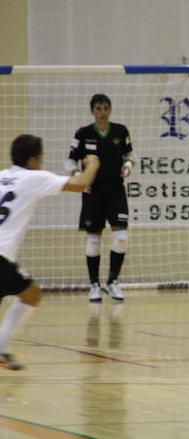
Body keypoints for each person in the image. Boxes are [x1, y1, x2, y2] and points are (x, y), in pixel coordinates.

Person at [0, 134, 100, 369]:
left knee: (31, 294)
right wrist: (93, 163)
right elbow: (80, 184)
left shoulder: (2, 176)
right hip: (1, 258)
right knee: (31, 295)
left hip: (4, 261)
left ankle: (2, 350)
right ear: (33, 160)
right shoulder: (33, 177)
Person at [65, 94, 134, 302]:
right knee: (93, 240)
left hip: (115, 191)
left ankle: (112, 282)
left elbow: (130, 155)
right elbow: (70, 161)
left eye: (105, 108)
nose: (102, 112)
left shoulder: (121, 131)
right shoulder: (83, 134)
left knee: (121, 238)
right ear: (92, 111)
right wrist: (77, 178)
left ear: (110, 110)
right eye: (98, 108)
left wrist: (128, 166)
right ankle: (94, 285)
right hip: (92, 193)